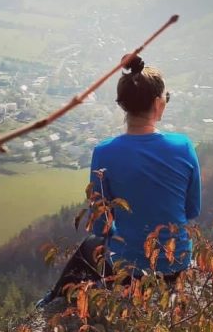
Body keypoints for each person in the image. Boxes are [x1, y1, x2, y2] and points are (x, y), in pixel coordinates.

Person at [38, 55, 202, 306]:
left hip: (129, 273)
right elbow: (192, 210)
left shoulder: (104, 152)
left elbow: (100, 226)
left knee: (89, 246)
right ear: (159, 105)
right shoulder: (183, 146)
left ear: (123, 105)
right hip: (176, 265)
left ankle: (52, 302)